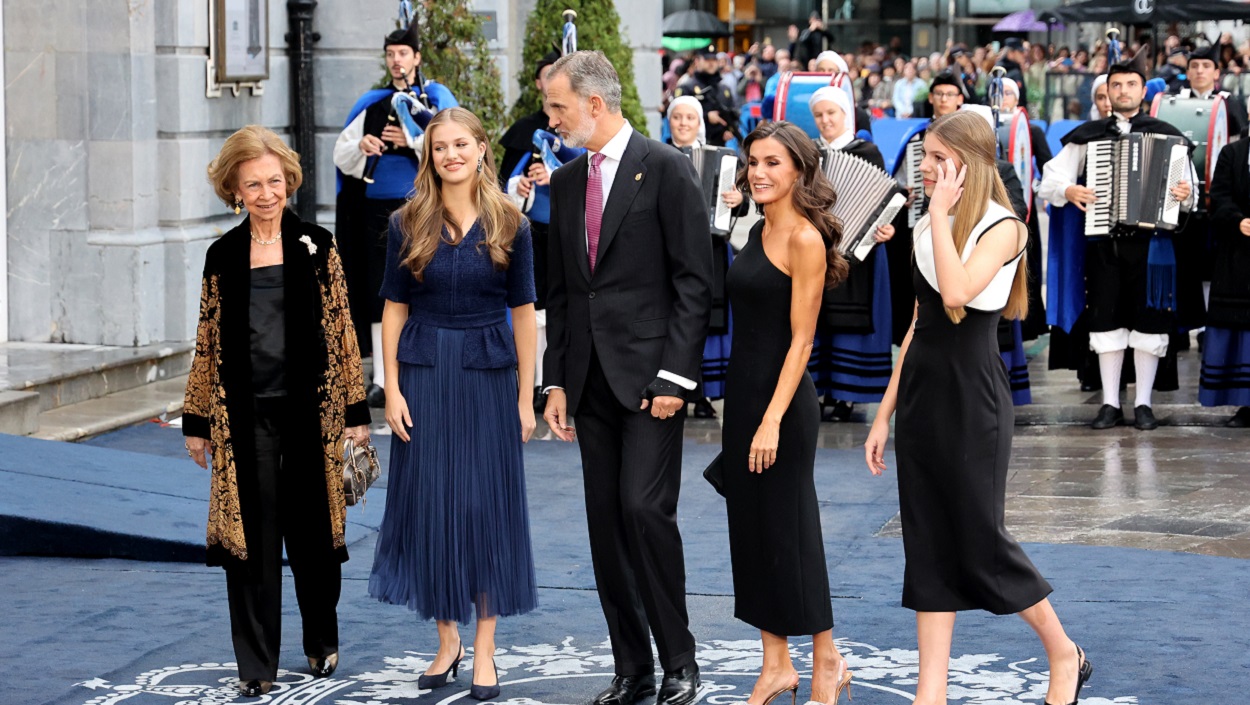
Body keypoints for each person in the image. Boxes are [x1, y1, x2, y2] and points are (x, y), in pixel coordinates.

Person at [864, 111, 1092, 705]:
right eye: (925, 159)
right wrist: (885, 410)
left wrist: (938, 215)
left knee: (979, 539)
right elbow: (919, 322)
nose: (928, 170)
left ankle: (1064, 652)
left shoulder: (1004, 227)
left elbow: (959, 293)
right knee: (928, 541)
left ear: (969, 161)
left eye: (938, 159)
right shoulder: (926, 224)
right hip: (921, 394)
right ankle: (929, 692)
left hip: (973, 398)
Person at [542, 50, 712, 705]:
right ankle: (632, 667)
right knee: (605, 523)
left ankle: (680, 659)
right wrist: (555, 381)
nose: (550, 119)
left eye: (558, 106)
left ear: (593, 103)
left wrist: (675, 376)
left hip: (652, 381)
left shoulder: (666, 168)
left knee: (645, 509)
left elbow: (694, 281)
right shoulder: (563, 183)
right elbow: (560, 293)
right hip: (586, 381)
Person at [184, 126, 373, 698]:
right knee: (251, 542)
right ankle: (257, 663)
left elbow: (344, 329)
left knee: (314, 539)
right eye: (252, 185)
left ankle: (321, 637)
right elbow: (208, 340)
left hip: (312, 416)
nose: (266, 194)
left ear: (288, 181)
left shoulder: (318, 246)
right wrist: (197, 421)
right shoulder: (221, 255)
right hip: (243, 418)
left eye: (274, 181)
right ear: (234, 190)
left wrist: (355, 409)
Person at [368, 107, 539, 702]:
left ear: (481, 148)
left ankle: (486, 648)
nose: (451, 155)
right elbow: (393, 309)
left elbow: (524, 317)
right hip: (424, 372)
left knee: (487, 507)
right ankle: (448, 641)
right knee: (431, 505)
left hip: (489, 374)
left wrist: (526, 397)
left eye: (460, 144)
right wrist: (390, 387)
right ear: (429, 156)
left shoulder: (513, 223)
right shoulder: (405, 222)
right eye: (440, 147)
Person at [720, 120, 854, 705]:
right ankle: (776, 662)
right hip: (743, 397)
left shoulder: (804, 239)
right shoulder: (754, 229)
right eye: (753, 162)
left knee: (793, 530)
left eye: (773, 162)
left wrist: (772, 418)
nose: (759, 172)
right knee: (751, 534)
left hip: (782, 405)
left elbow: (802, 342)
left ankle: (826, 658)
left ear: (799, 169)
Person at [1039, 62, 1197, 430]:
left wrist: (1185, 194)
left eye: (1131, 84)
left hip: (1152, 246)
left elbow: (1189, 194)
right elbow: (1049, 179)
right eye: (1116, 85)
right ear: (1107, 92)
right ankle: (1110, 403)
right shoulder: (1087, 136)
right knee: (1105, 317)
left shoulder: (1168, 135)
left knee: (1150, 320)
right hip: (1103, 246)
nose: (1123, 90)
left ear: (1144, 91)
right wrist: (1068, 189)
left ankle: (1143, 404)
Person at [333, 21, 458, 409]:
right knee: (379, 285)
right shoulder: (373, 102)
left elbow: (457, 148)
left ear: (417, 58)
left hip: (422, 205)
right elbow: (342, 152)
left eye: (403, 53)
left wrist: (414, 140)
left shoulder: (435, 100)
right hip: (375, 208)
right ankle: (384, 379)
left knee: (424, 280)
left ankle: (425, 366)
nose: (396, 61)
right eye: (390, 54)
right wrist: (363, 145)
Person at [806, 86, 895, 421]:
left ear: (847, 115)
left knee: (852, 321)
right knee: (816, 316)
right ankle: (815, 389)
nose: (826, 120)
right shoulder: (809, 153)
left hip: (861, 251)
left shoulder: (868, 151)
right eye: (819, 115)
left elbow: (885, 197)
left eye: (832, 113)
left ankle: (848, 393)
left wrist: (886, 227)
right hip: (816, 247)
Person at [666, 96, 747, 418]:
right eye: (677, 117)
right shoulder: (655, 155)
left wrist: (737, 199)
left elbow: (737, 205)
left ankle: (704, 394)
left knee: (710, 321)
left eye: (690, 118)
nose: (684, 123)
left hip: (712, 248)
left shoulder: (722, 159)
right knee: (676, 317)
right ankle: (680, 386)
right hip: (668, 249)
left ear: (700, 122)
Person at [1200, 135, 1250, 426]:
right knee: (1242, 328)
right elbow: (1218, 197)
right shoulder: (1232, 153)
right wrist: (1237, 220)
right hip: (1239, 257)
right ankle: (1246, 403)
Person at [499, 47, 561, 186]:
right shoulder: (523, 128)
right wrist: (517, 186)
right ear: (538, 83)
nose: (553, 81)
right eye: (548, 76)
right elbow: (504, 181)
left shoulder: (578, 127)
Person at [675, 45, 739, 146]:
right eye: (707, 59)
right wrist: (706, 116)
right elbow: (677, 116)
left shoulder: (724, 89)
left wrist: (728, 130)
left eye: (714, 59)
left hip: (719, 144)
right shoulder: (687, 87)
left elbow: (732, 113)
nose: (711, 63)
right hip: (692, 145)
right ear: (697, 61)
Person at [996, 39, 1029, 109]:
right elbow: (1021, 99)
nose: (1024, 54)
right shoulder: (1012, 72)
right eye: (1020, 52)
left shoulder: (998, 67)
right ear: (1010, 53)